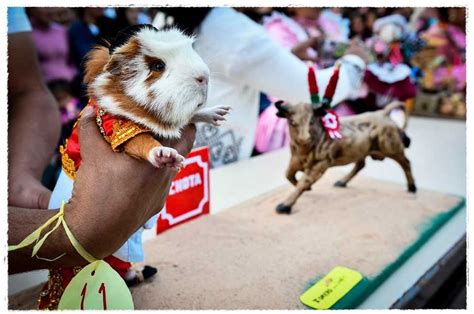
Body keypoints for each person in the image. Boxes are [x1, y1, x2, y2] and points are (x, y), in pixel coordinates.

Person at [8, 7, 196, 276]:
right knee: (108, 234)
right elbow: (127, 140)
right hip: (84, 199)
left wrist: (20, 178)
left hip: (97, 203)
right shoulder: (107, 110)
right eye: (157, 66)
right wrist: (153, 150)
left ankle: (122, 271)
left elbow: (29, 91)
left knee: (123, 228)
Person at [160, 7, 367, 167]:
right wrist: (355, 62)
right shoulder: (231, 30)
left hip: (171, 160)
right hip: (214, 172)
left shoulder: (175, 17)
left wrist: (287, 59)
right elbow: (311, 91)